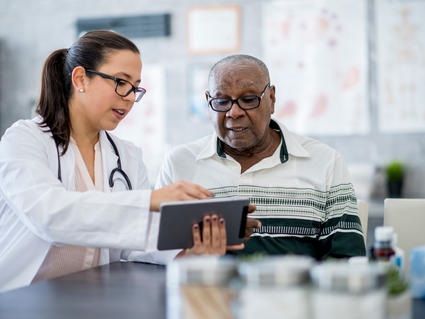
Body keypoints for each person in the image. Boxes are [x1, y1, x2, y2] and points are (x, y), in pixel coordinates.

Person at [0, 31, 243, 292]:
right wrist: (149, 201)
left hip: (92, 297)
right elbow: (49, 216)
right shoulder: (24, 140)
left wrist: (189, 251)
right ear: (80, 78)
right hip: (21, 297)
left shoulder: (126, 155)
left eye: (135, 87)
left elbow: (134, 241)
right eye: (120, 82)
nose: (129, 97)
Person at [150, 54, 366, 262]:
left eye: (248, 99)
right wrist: (194, 254)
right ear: (208, 102)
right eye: (222, 101)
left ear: (271, 99)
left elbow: (347, 259)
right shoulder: (180, 163)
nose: (234, 112)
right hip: (206, 295)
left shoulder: (325, 162)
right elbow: (152, 252)